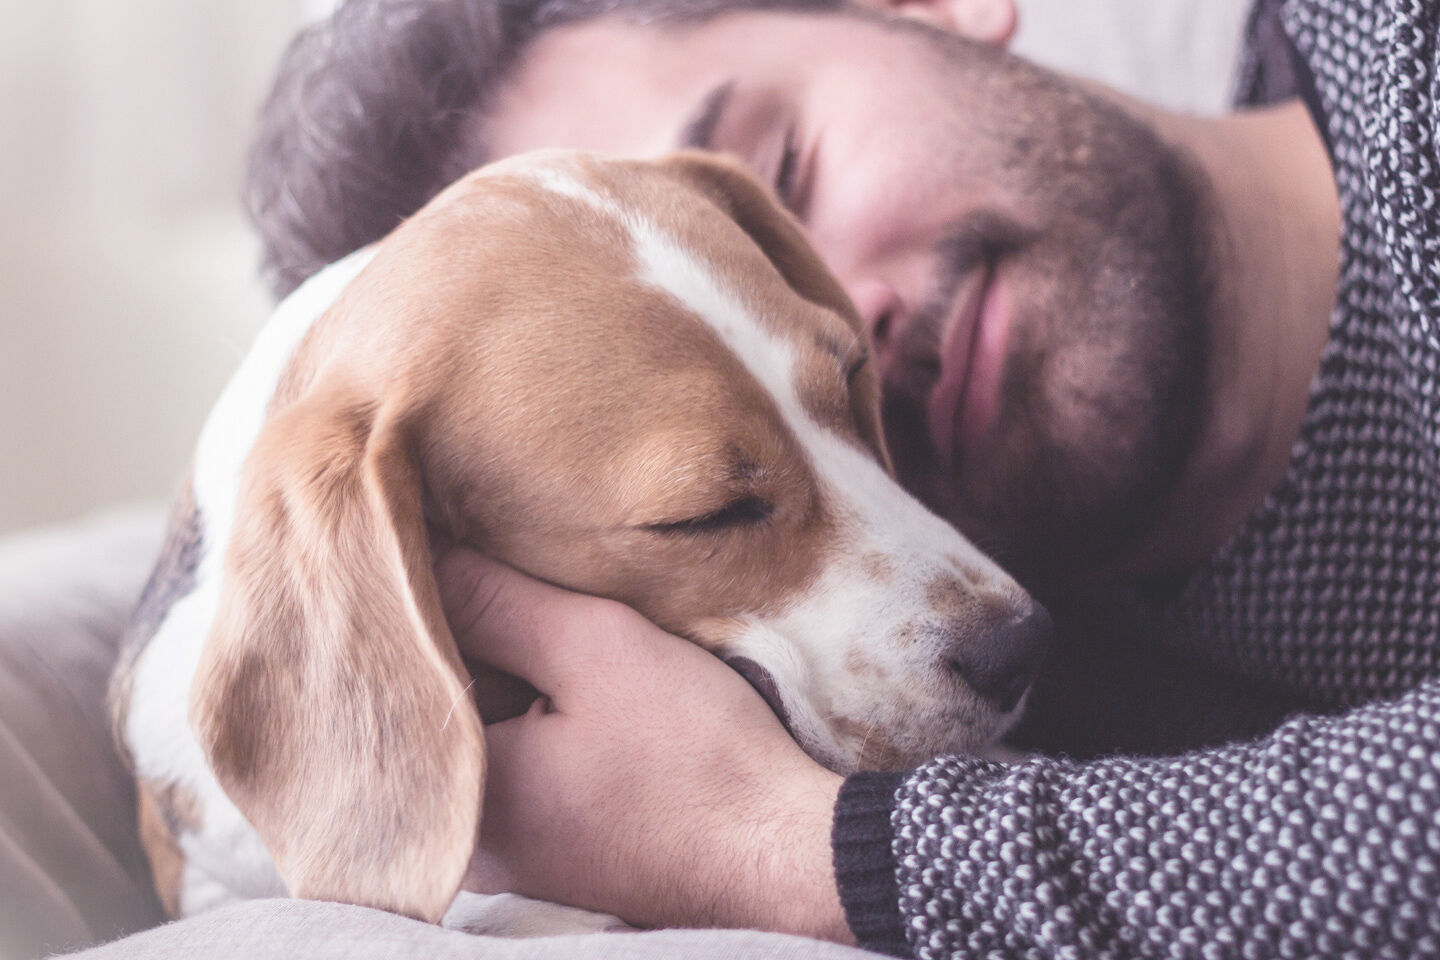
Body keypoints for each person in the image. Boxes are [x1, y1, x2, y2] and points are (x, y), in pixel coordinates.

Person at [245, 0, 1440, 954]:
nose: (829, 302)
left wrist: (805, 855)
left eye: (778, 170)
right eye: (703, 498)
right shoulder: (1018, 682)